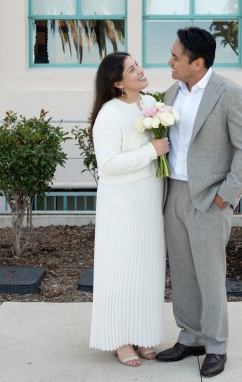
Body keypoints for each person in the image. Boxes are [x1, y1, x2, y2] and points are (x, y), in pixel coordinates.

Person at [156, 27, 242, 377]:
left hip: (210, 200)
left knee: (210, 275)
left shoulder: (231, 94)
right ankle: (191, 336)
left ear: (197, 62)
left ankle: (216, 345)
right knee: (183, 273)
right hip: (175, 194)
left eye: (175, 56)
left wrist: (225, 198)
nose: (169, 61)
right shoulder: (170, 93)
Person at [88, 52, 170, 367]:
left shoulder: (149, 103)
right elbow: (108, 165)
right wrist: (151, 150)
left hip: (149, 198)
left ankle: (143, 333)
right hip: (122, 203)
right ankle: (120, 339)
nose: (140, 70)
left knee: (147, 268)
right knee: (122, 269)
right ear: (118, 82)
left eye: (138, 64)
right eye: (132, 69)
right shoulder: (110, 114)